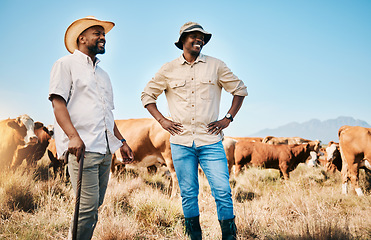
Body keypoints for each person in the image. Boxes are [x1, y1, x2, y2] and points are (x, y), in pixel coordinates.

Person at [141, 22, 248, 240]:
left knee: (223, 192)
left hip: (211, 141)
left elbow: (240, 89)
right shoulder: (168, 69)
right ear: (182, 41)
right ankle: (194, 237)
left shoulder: (216, 66)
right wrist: (162, 121)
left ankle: (229, 236)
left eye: (202, 37)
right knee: (189, 194)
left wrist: (227, 118)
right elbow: (147, 96)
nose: (199, 40)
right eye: (194, 36)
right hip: (180, 143)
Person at [49, 16, 133, 240]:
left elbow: (107, 115)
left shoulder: (103, 75)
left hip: (105, 151)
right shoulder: (65, 64)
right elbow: (58, 104)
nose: (103, 37)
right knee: (85, 211)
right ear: (82, 38)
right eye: (97, 33)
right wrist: (73, 137)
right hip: (82, 150)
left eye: (103, 34)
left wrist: (121, 143)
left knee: (94, 206)